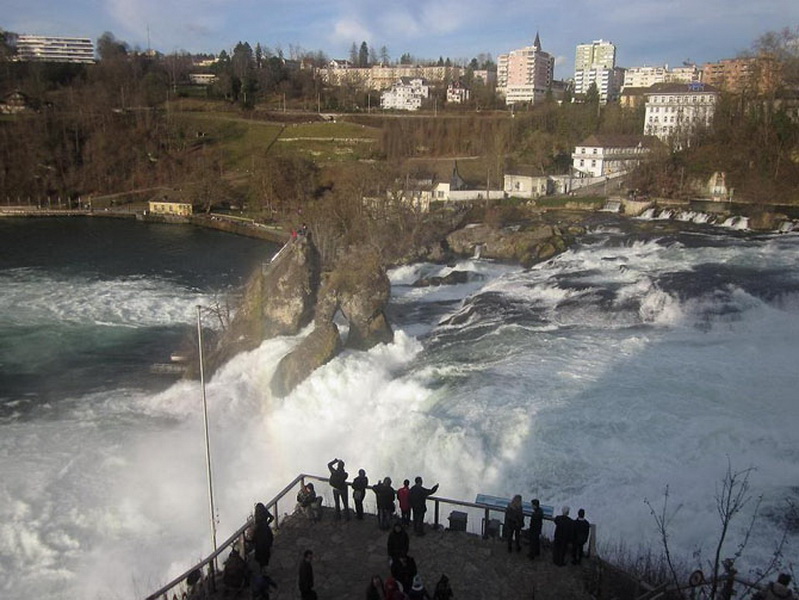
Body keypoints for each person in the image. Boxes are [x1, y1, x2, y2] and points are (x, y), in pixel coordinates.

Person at [253, 502, 275, 568]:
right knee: (266, 548)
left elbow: (256, 527)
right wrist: (267, 523)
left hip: (259, 534)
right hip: (266, 532)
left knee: (260, 549)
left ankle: (262, 566)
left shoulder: (257, 517)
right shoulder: (265, 512)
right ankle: (265, 565)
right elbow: (272, 517)